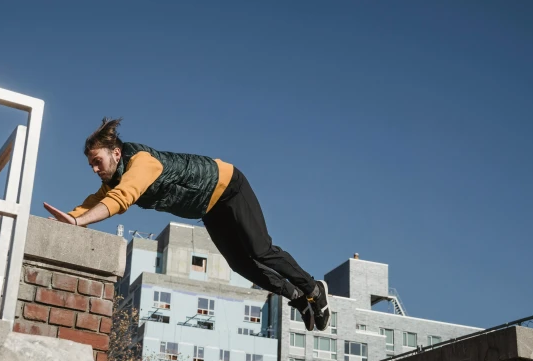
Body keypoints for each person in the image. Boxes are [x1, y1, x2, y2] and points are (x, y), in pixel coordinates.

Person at [43, 118, 331, 331]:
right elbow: (92, 202)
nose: (95, 170)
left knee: (260, 250)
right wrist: (68, 221)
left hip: (229, 185)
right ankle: (296, 296)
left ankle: (314, 289)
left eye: (97, 161)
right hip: (209, 208)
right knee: (240, 264)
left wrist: (80, 221)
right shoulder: (113, 180)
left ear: (116, 154)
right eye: (91, 165)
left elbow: (122, 199)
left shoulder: (142, 162)